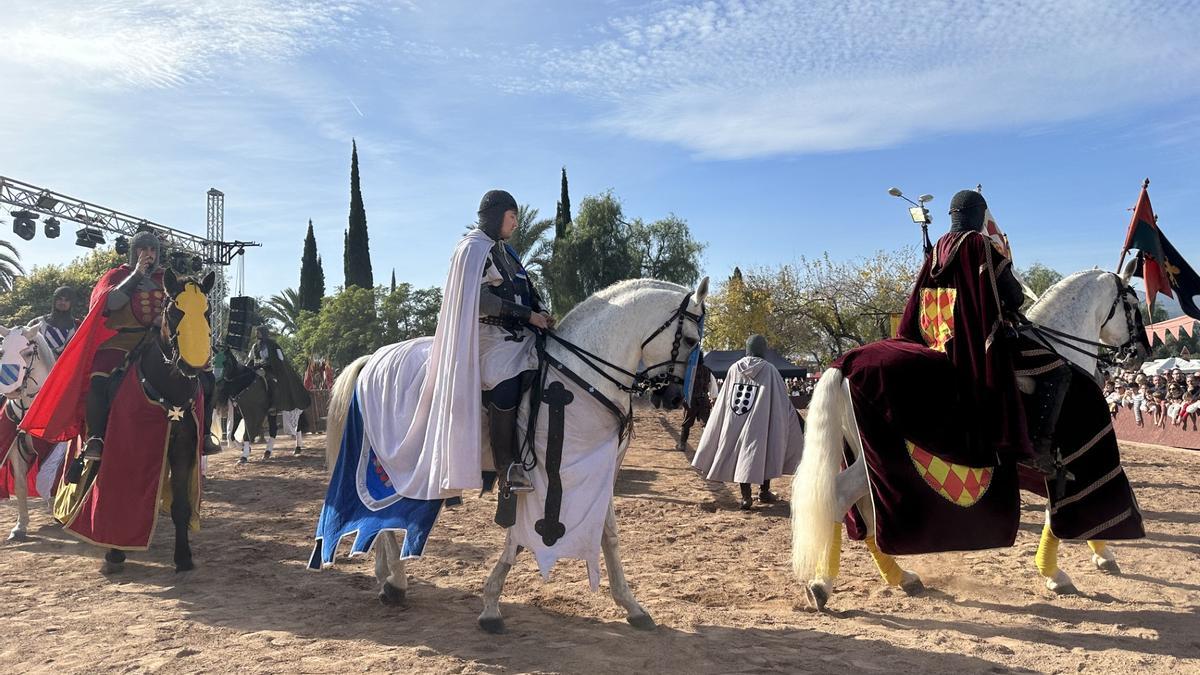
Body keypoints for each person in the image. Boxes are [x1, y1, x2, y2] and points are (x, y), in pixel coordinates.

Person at [895, 189, 1070, 476]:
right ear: (978, 214)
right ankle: (1039, 449)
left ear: (953, 216)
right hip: (976, 344)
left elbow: (919, 297)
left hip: (939, 340)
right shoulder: (979, 245)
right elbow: (1013, 297)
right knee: (1057, 370)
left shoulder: (938, 248)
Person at [690, 335, 804, 510]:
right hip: (761, 422)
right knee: (765, 453)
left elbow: (725, 398)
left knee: (742, 456)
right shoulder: (770, 370)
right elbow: (782, 400)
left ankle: (746, 497)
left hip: (736, 421)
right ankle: (764, 492)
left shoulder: (734, 368)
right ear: (763, 349)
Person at [248, 326, 311, 456]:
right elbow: (250, 360)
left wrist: (267, 366)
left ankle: (273, 403)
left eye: (258, 332)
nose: (257, 334)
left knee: (272, 382)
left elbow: (280, 360)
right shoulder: (255, 347)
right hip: (259, 370)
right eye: (256, 333)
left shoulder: (273, 345)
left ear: (264, 333)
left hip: (273, 371)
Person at [27, 286, 81, 357]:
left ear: (71, 303)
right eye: (60, 299)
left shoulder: (78, 326)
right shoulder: (35, 323)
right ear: (55, 301)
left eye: (66, 300)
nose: (62, 302)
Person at [678, 351, 715, 450]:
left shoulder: (687, 371)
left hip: (691, 401)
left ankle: (682, 444)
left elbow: (682, 387)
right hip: (704, 401)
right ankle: (706, 446)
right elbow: (713, 389)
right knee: (705, 424)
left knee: (686, 424)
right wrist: (713, 399)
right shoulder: (708, 371)